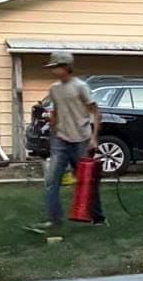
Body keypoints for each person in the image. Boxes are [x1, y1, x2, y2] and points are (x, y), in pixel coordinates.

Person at [34, 50, 101, 233]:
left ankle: (97, 218)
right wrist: (52, 126)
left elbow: (95, 112)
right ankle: (54, 219)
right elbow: (55, 111)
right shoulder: (54, 89)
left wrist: (94, 138)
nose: (52, 70)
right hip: (60, 140)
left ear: (66, 67)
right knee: (51, 180)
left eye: (55, 67)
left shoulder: (80, 87)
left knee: (86, 181)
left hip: (81, 139)